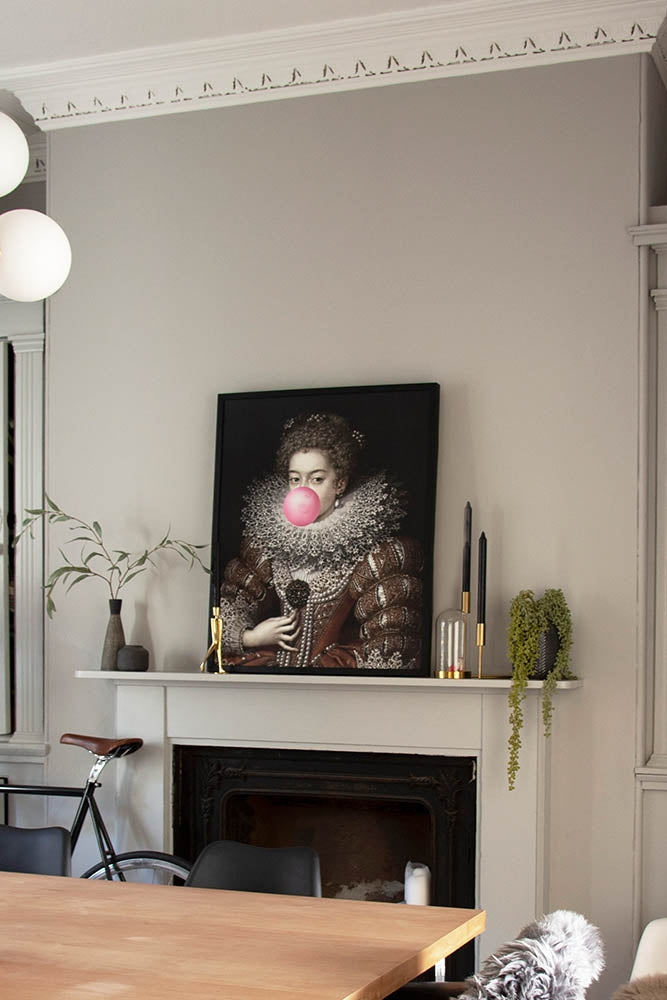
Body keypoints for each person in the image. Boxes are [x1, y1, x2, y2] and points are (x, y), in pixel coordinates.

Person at [218, 411, 423, 671]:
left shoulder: (376, 552)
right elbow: (230, 605)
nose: (304, 490)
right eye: (295, 479)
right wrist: (252, 637)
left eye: (316, 479)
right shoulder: (267, 544)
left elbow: (389, 637)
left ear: (340, 483)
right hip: (272, 675)